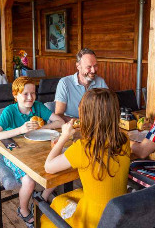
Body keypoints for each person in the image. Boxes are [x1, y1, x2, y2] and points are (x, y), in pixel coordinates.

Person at [42, 88, 131, 228]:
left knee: (57, 202)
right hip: (120, 212)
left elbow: (49, 166)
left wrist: (64, 137)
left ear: (85, 115)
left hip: (94, 220)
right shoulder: (124, 140)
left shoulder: (83, 148)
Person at [0, 76, 65, 228]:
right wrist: (21, 130)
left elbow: (60, 122)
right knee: (29, 181)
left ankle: (40, 200)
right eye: (25, 94)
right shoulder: (10, 111)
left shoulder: (37, 106)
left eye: (33, 93)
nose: (30, 97)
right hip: (15, 153)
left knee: (59, 169)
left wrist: (40, 128)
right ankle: (23, 210)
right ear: (15, 95)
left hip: (37, 150)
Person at [55, 48, 108, 121]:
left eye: (95, 66)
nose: (93, 70)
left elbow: (108, 109)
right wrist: (83, 122)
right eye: (89, 67)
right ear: (78, 66)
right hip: (73, 127)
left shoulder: (101, 82)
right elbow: (58, 115)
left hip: (96, 125)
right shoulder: (64, 83)